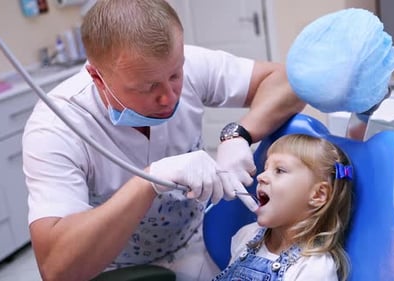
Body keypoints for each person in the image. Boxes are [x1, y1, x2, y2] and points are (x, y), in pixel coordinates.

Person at [22, 0, 305, 280]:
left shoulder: (185, 64)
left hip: (198, 240)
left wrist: (238, 134)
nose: (169, 97)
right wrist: (148, 181)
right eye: (148, 87)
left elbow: (290, 82)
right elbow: (56, 268)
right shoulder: (56, 126)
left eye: (175, 75)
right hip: (118, 266)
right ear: (97, 77)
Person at [213, 134, 353, 281]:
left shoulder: (315, 269)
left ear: (318, 195)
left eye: (279, 170)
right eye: (265, 168)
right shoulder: (247, 235)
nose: (261, 176)